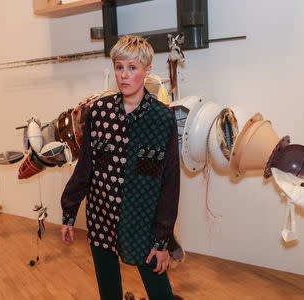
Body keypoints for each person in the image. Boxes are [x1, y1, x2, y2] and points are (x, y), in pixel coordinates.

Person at [60, 35, 180, 300]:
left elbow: (169, 186)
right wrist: (69, 211)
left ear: (147, 70)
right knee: (108, 291)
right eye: (119, 67)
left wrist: (162, 240)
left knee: (161, 293)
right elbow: (85, 167)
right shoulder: (99, 112)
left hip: (143, 223)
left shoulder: (162, 119)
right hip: (101, 217)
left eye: (132, 68)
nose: (124, 75)